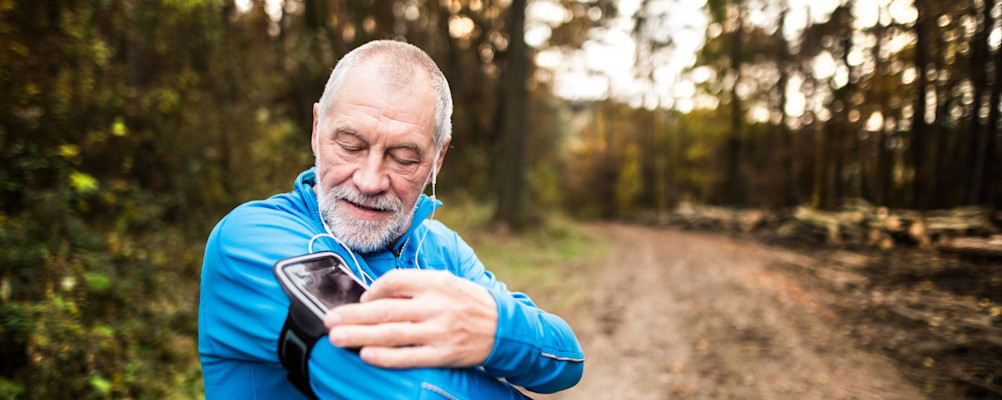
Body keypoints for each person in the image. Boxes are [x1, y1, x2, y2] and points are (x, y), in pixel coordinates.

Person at [198, 40, 584, 399]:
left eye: (403, 157)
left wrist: (498, 329)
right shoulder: (251, 240)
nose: (369, 181)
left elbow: (566, 359)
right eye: (350, 145)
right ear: (317, 130)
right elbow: (414, 389)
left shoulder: (442, 248)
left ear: (438, 160)